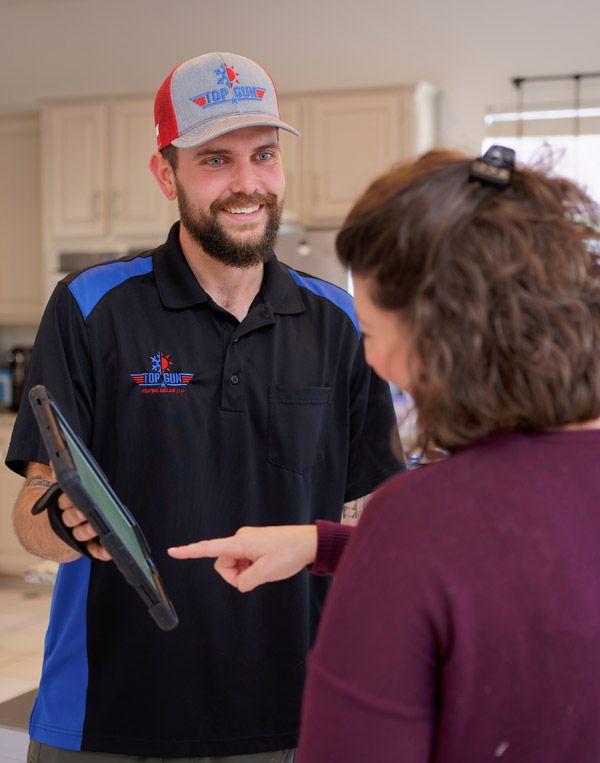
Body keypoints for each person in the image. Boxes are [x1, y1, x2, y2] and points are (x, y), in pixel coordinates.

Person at [5, 52, 403, 763]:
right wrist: (63, 522)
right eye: (216, 159)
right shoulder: (90, 307)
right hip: (106, 717)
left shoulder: (340, 321)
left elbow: (376, 522)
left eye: (264, 155)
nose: (247, 183)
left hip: (290, 717)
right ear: (167, 174)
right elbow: (34, 507)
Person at [169, 146, 600, 761]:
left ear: (440, 337)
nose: (368, 359)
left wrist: (385, 544)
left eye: (370, 333)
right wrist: (326, 543)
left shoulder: (418, 517)